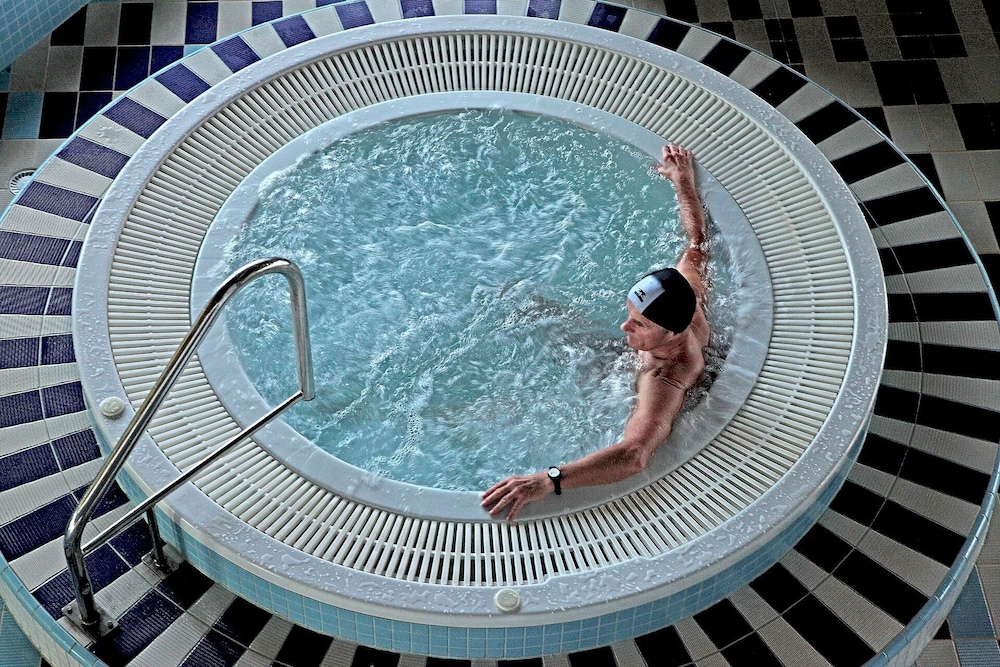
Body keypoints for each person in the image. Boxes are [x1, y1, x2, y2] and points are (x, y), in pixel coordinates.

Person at [481, 143, 711, 521]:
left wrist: (547, 480)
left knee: (512, 410)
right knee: (530, 305)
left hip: (624, 383)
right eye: (629, 313)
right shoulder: (687, 294)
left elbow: (634, 455)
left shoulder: (664, 377)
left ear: (673, 333)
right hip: (628, 356)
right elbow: (697, 243)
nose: (624, 325)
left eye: (638, 324)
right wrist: (681, 180)